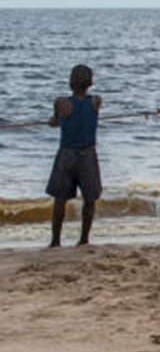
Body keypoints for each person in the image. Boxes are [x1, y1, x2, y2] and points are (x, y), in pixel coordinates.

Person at [46, 64, 102, 248]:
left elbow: (54, 122)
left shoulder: (61, 103)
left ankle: (55, 240)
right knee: (90, 199)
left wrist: (53, 121)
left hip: (67, 155)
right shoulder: (96, 101)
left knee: (60, 199)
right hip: (88, 154)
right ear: (90, 83)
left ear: (71, 82)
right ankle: (84, 238)